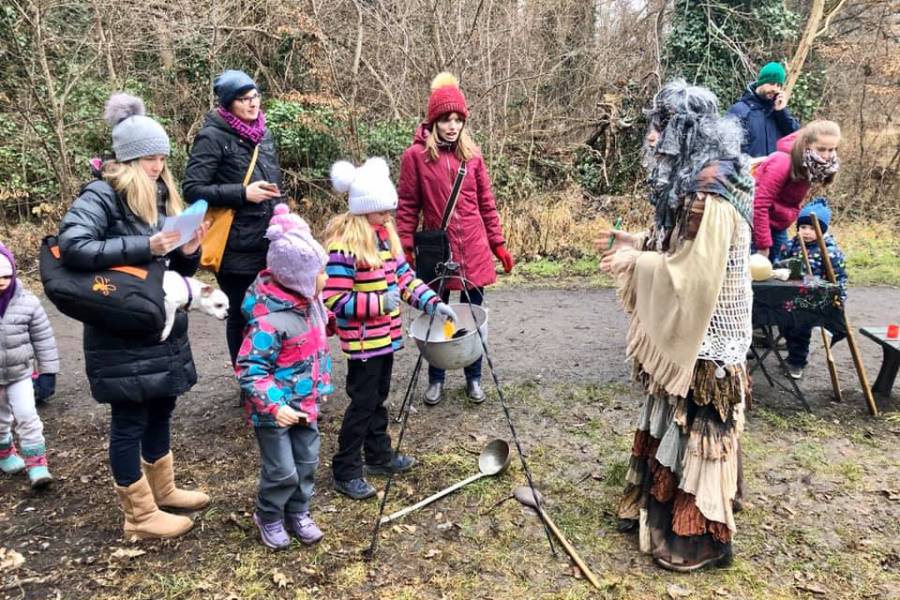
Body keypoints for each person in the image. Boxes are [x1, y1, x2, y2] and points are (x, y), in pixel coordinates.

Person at [599, 79, 754, 571]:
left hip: (708, 342)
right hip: (699, 335)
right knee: (671, 417)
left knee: (701, 427)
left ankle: (700, 538)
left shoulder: (710, 195)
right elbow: (675, 246)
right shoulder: (693, 183)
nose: (651, 137)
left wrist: (634, 264)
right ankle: (658, 510)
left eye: (660, 126)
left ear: (685, 131)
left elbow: (691, 276)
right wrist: (637, 242)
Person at [58, 93, 210, 540]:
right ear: (127, 159)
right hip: (119, 328)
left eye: (162, 157)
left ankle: (162, 490)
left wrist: (187, 251)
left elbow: (174, 271)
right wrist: (148, 246)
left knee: (162, 404)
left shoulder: (161, 195)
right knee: (129, 419)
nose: (158, 166)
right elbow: (73, 247)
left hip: (158, 326)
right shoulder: (101, 195)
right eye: (150, 158)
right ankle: (139, 515)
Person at [323, 158, 457, 500]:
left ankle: (379, 455)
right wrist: (378, 304)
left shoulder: (385, 239)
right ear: (365, 209)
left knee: (378, 398)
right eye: (382, 211)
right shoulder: (345, 247)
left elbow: (406, 281)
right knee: (362, 403)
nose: (388, 217)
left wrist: (432, 302)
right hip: (363, 343)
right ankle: (346, 467)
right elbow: (335, 299)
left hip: (386, 339)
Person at [396, 72, 513, 405]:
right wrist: (405, 245)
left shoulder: (473, 156)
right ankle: (436, 378)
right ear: (433, 121)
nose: (451, 125)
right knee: (437, 312)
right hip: (437, 248)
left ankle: (474, 378)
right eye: (445, 119)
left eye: (457, 119)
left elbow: (486, 203)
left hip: (473, 246)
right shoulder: (415, 157)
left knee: (473, 315)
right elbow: (407, 206)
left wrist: (498, 243)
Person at [236, 203, 332, 550]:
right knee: (282, 470)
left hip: (306, 404)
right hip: (274, 412)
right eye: (320, 273)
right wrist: (275, 406)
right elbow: (250, 369)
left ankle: (299, 511)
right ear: (299, 278)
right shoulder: (268, 321)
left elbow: (315, 347)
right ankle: (270, 514)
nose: (326, 278)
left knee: (306, 462)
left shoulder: (311, 305)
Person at [183, 69, 282, 368]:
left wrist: (284, 216)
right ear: (228, 104)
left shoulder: (264, 134)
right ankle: (247, 379)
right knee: (241, 312)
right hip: (233, 245)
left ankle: (269, 374)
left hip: (267, 239)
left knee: (269, 310)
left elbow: (275, 182)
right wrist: (242, 193)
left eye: (255, 97)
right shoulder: (212, 137)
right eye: (243, 100)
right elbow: (192, 188)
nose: (253, 104)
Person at [0, 243, 58, 488]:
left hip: (20, 374)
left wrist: (48, 371)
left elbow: (44, 339)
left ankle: (37, 464)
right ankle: (5, 453)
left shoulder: (28, 303)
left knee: (27, 416)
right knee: (0, 419)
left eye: (6, 275)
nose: (1, 281)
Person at [778, 198, 848, 380]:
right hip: (789, 296)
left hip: (812, 299)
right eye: (803, 228)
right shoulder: (791, 245)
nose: (806, 232)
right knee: (785, 326)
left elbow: (839, 278)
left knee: (801, 330)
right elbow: (778, 264)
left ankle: (797, 361)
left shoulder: (830, 252)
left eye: (812, 228)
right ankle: (791, 349)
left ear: (821, 231)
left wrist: (839, 298)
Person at [752, 120, 841, 260]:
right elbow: (759, 204)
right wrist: (763, 245)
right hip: (756, 226)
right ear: (807, 144)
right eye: (821, 149)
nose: (826, 156)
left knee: (781, 267)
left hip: (779, 224)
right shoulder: (782, 162)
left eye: (832, 149)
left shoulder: (812, 164)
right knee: (758, 272)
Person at [726, 61, 801, 158]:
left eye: (779, 85)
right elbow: (727, 148)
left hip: (774, 172)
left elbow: (796, 139)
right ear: (761, 82)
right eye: (771, 83)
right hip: (748, 171)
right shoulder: (739, 111)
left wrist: (782, 113)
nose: (775, 88)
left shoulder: (779, 113)